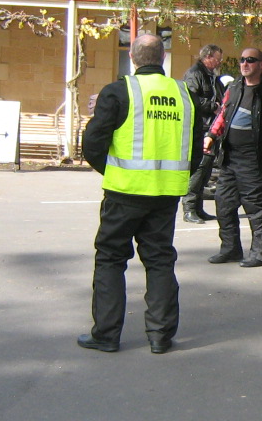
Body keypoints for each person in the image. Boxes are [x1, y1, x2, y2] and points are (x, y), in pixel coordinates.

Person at [78, 34, 195, 354]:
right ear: (163, 57)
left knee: (110, 259)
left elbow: (93, 143)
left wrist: (114, 171)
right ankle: (160, 336)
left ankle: (106, 334)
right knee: (160, 261)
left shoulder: (118, 91)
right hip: (165, 194)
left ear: (132, 57)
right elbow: (195, 150)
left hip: (124, 192)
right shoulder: (184, 94)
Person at [204, 47, 262, 267]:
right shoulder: (235, 87)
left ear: (261, 64)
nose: (245, 64)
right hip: (230, 157)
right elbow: (223, 114)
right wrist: (211, 136)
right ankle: (230, 248)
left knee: (254, 207)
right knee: (223, 203)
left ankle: (260, 254)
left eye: (250, 60)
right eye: (242, 60)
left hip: (254, 158)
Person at [182, 44, 224, 224]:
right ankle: (189, 208)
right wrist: (212, 106)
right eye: (217, 58)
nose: (219, 62)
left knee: (206, 170)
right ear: (207, 57)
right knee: (199, 169)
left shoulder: (212, 76)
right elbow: (190, 99)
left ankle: (198, 208)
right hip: (200, 128)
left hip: (211, 128)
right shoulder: (195, 74)